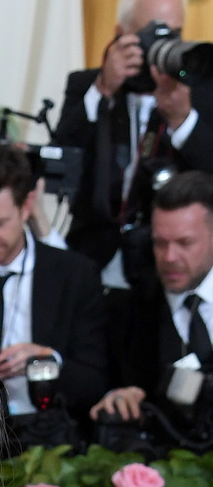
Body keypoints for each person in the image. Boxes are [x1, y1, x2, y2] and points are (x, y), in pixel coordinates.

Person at [53, 0, 213, 291]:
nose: (163, 46)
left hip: (164, 275)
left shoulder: (200, 91)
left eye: (174, 34)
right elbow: (62, 157)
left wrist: (183, 121)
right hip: (90, 264)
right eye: (153, 34)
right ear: (119, 33)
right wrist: (103, 89)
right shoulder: (87, 86)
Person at [0, 140, 108, 449]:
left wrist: (45, 361)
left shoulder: (73, 274)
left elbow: (95, 381)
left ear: (27, 206)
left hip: (47, 437)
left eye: (0, 224)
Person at [91, 171, 213, 429]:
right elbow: (102, 387)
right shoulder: (127, 312)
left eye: (185, 243)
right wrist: (120, 399)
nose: (169, 256)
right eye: (160, 243)